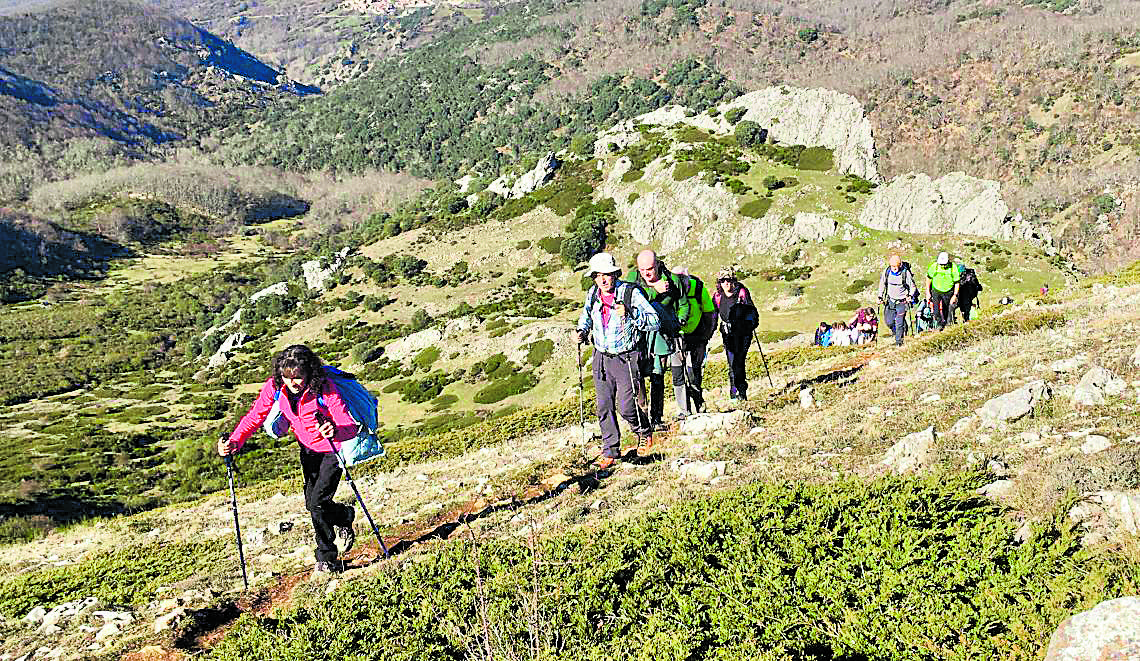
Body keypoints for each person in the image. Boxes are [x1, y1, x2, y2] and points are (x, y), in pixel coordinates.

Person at [218, 345, 359, 575]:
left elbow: (349, 426)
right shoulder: (275, 386)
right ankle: (345, 515)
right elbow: (255, 416)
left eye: (298, 377)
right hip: (307, 450)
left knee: (317, 504)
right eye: (287, 376)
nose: (292, 382)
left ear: (309, 372)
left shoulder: (325, 387)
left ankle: (327, 558)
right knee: (312, 504)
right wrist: (234, 441)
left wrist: (334, 429)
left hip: (332, 451)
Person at [574, 252, 660, 468]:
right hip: (601, 357)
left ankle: (643, 431)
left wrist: (631, 313)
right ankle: (611, 450)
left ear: (615, 274)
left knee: (626, 406)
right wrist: (581, 332)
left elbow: (655, 321)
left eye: (607, 275)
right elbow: (585, 317)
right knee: (604, 406)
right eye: (598, 275)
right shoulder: (593, 293)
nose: (602, 280)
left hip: (627, 357)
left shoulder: (631, 293)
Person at [624, 249, 692, 428]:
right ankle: (642, 420)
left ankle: (656, 418)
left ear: (658, 265)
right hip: (638, 334)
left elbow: (683, 304)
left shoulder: (673, 280)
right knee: (637, 375)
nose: (646, 273)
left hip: (662, 333)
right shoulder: (632, 278)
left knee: (658, 373)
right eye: (642, 269)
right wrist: (655, 289)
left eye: (650, 268)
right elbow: (632, 299)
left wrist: (680, 321)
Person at [675, 266, 717, 413]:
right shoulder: (671, 290)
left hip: (697, 335)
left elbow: (710, 312)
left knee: (694, 371)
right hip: (678, 336)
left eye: (682, 280)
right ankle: (685, 409)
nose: (680, 283)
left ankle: (698, 401)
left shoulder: (698, 288)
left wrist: (706, 337)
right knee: (679, 372)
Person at [712, 267, 758, 401]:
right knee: (732, 364)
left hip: (743, 335)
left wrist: (748, 325)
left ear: (734, 281)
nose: (726, 283)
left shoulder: (742, 293)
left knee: (738, 363)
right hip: (728, 335)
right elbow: (713, 315)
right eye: (723, 280)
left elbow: (752, 313)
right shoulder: (717, 296)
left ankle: (741, 392)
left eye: (729, 280)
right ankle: (735, 394)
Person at [878, 253, 918, 346]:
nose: (894, 268)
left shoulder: (905, 273)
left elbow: (913, 287)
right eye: (892, 266)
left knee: (899, 322)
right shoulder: (887, 272)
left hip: (902, 302)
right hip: (890, 301)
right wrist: (880, 296)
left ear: (900, 265)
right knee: (889, 322)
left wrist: (910, 295)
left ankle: (899, 342)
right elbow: (882, 284)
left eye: (896, 266)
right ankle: (900, 331)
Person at [927, 251, 961, 330]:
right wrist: (928, 292)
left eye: (944, 264)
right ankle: (939, 325)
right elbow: (928, 278)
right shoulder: (934, 267)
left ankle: (947, 325)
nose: (942, 266)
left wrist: (955, 295)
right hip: (936, 290)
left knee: (947, 309)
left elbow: (957, 282)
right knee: (936, 310)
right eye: (941, 264)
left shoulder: (953, 268)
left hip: (948, 291)